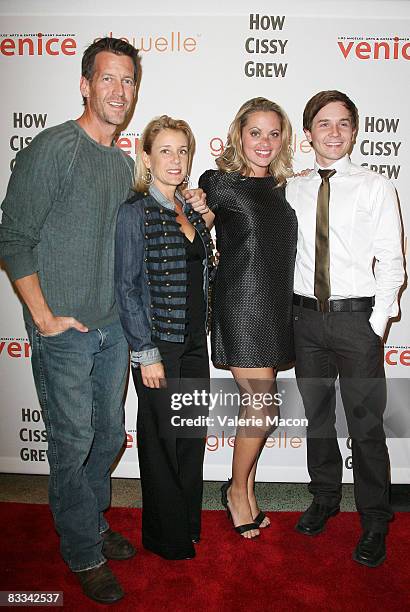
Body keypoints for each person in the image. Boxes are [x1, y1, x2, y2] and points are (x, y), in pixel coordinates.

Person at [0, 38, 205, 603]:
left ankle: (89, 522)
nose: (120, 90)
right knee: (72, 441)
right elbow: (13, 236)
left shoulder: (123, 164)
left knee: (109, 434)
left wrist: (196, 204)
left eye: (129, 81)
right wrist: (42, 316)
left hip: (116, 331)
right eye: (108, 79)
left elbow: (153, 214)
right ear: (86, 84)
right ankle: (82, 550)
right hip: (64, 333)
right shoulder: (53, 147)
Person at [286, 90, 404, 567]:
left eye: (342, 124)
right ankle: (325, 498)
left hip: (357, 320)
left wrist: (375, 324)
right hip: (305, 320)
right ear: (308, 132)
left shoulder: (376, 186)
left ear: (354, 132)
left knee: (366, 426)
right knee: (317, 419)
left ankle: (375, 519)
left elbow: (392, 263)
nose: (333, 132)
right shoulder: (290, 187)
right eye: (323, 123)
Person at [194, 97, 297, 538]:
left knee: (258, 406)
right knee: (263, 403)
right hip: (240, 305)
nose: (265, 142)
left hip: (274, 307)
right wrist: (192, 207)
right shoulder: (219, 183)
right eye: (256, 132)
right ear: (239, 134)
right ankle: (236, 492)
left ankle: (248, 492)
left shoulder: (279, 188)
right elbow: (193, 233)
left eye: (274, 133)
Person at [115, 115, 214, 560]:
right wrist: (145, 351)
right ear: (148, 157)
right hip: (159, 344)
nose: (175, 160)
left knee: (190, 437)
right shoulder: (135, 212)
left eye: (183, 151)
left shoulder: (191, 209)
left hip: (195, 342)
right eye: (166, 151)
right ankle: (164, 536)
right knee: (160, 441)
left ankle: (188, 524)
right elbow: (127, 287)